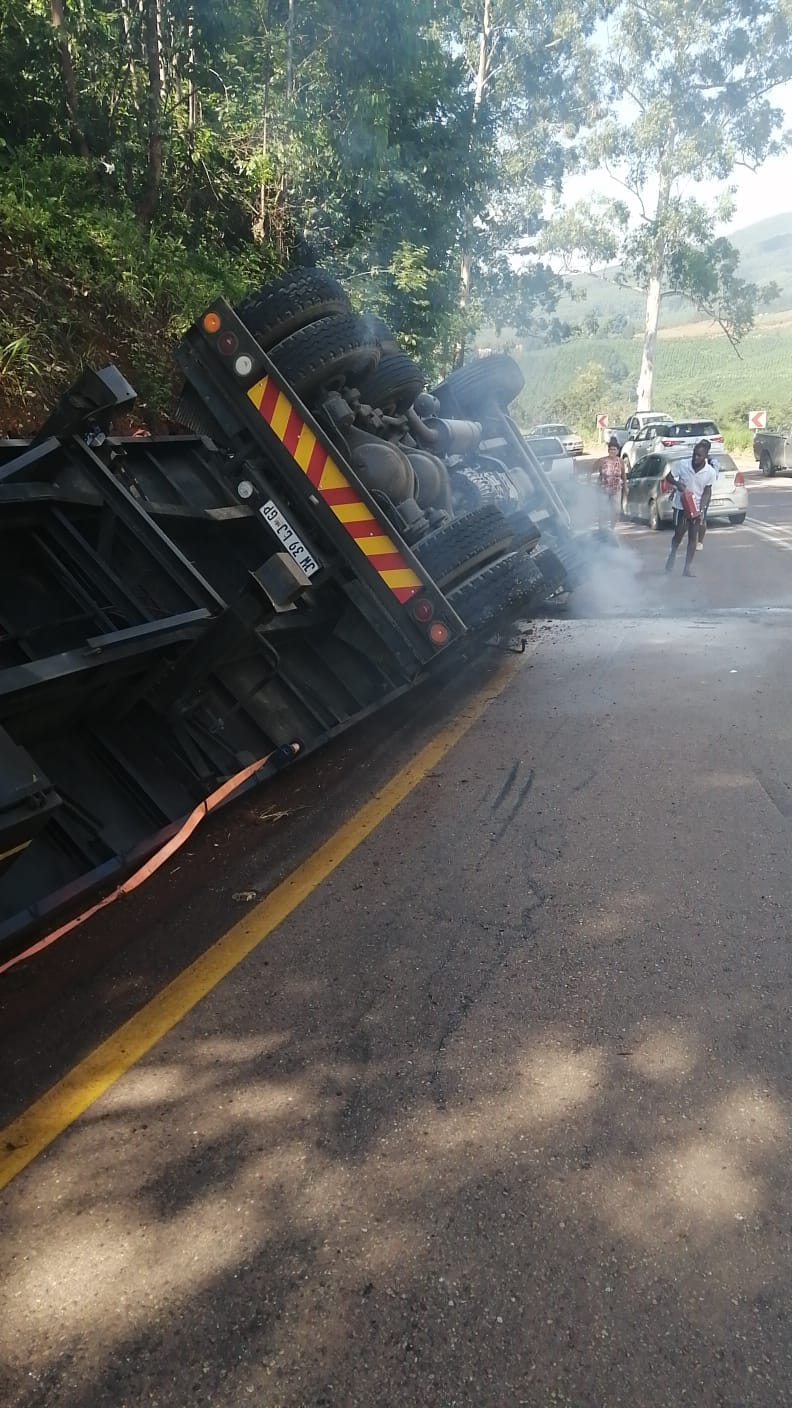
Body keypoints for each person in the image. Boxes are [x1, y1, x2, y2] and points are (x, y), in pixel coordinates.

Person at [664, 439, 717, 577]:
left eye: (699, 455)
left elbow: (707, 491)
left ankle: (687, 568)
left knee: (693, 537)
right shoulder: (682, 464)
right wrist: (677, 484)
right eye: (694, 454)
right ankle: (673, 553)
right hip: (681, 505)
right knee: (679, 534)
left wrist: (702, 509)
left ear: (706, 456)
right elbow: (668, 478)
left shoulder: (710, 472)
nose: (695, 457)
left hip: (696, 507)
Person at [596, 435, 624, 528]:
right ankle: (601, 528)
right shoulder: (602, 461)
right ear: (608, 450)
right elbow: (595, 472)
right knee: (603, 510)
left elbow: (623, 475)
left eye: (614, 449)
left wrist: (626, 488)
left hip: (616, 489)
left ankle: (612, 528)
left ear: (618, 451)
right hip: (604, 488)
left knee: (617, 510)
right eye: (611, 449)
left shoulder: (620, 461)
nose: (612, 451)